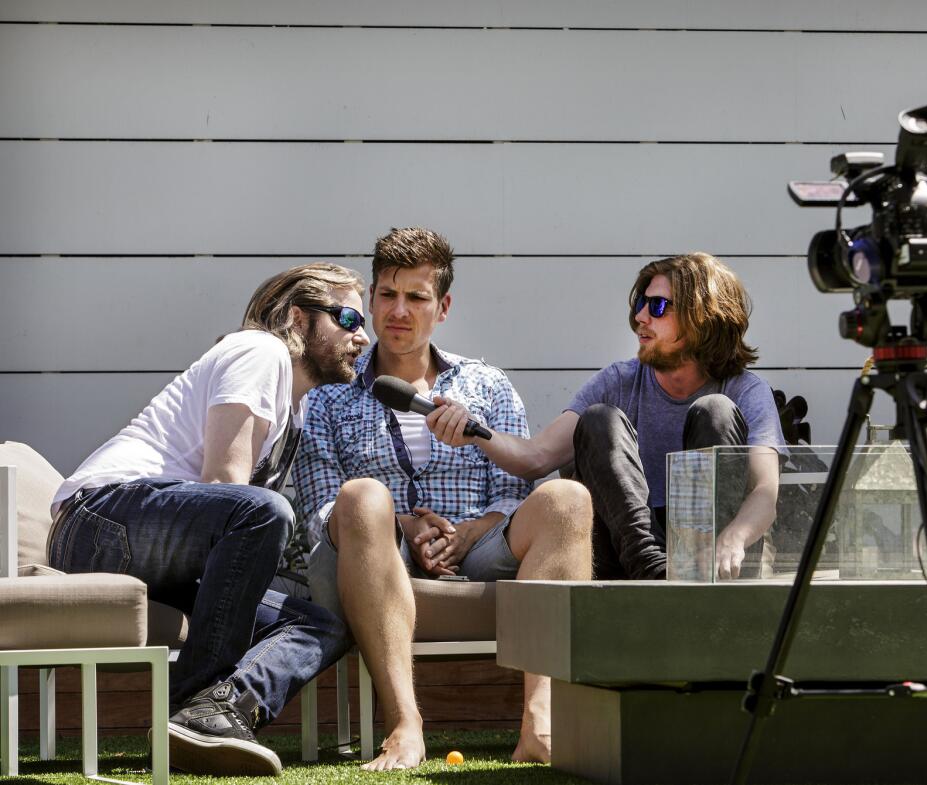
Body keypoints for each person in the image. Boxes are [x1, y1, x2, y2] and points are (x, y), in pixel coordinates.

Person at [47, 263, 368, 775]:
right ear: (296, 316)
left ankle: (218, 711)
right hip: (98, 522)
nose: (362, 336)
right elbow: (226, 488)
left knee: (318, 625)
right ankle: (189, 705)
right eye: (348, 317)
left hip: (162, 548)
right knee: (262, 510)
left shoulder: (295, 405)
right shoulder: (260, 351)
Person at [293, 227, 592, 771]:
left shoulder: (486, 385)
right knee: (361, 496)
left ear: (443, 306)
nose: (398, 311)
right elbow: (318, 513)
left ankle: (539, 724)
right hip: (375, 552)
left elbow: (513, 491)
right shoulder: (330, 389)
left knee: (567, 498)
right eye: (387, 294)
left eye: (416, 296)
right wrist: (401, 525)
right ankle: (405, 725)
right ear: (372, 300)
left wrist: (471, 531)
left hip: (480, 544)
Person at [429, 252, 783, 580]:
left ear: (701, 317)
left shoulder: (744, 390)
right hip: (630, 552)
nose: (640, 318)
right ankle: (654, 572)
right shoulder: (619, 381)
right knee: (599, 420)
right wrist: (474, 431)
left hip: (716, 558)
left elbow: (766, 491)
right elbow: (535, 458)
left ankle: (696, 575)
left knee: (716, 412)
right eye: (640, 305)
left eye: (658, 306)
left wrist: (734, 538)